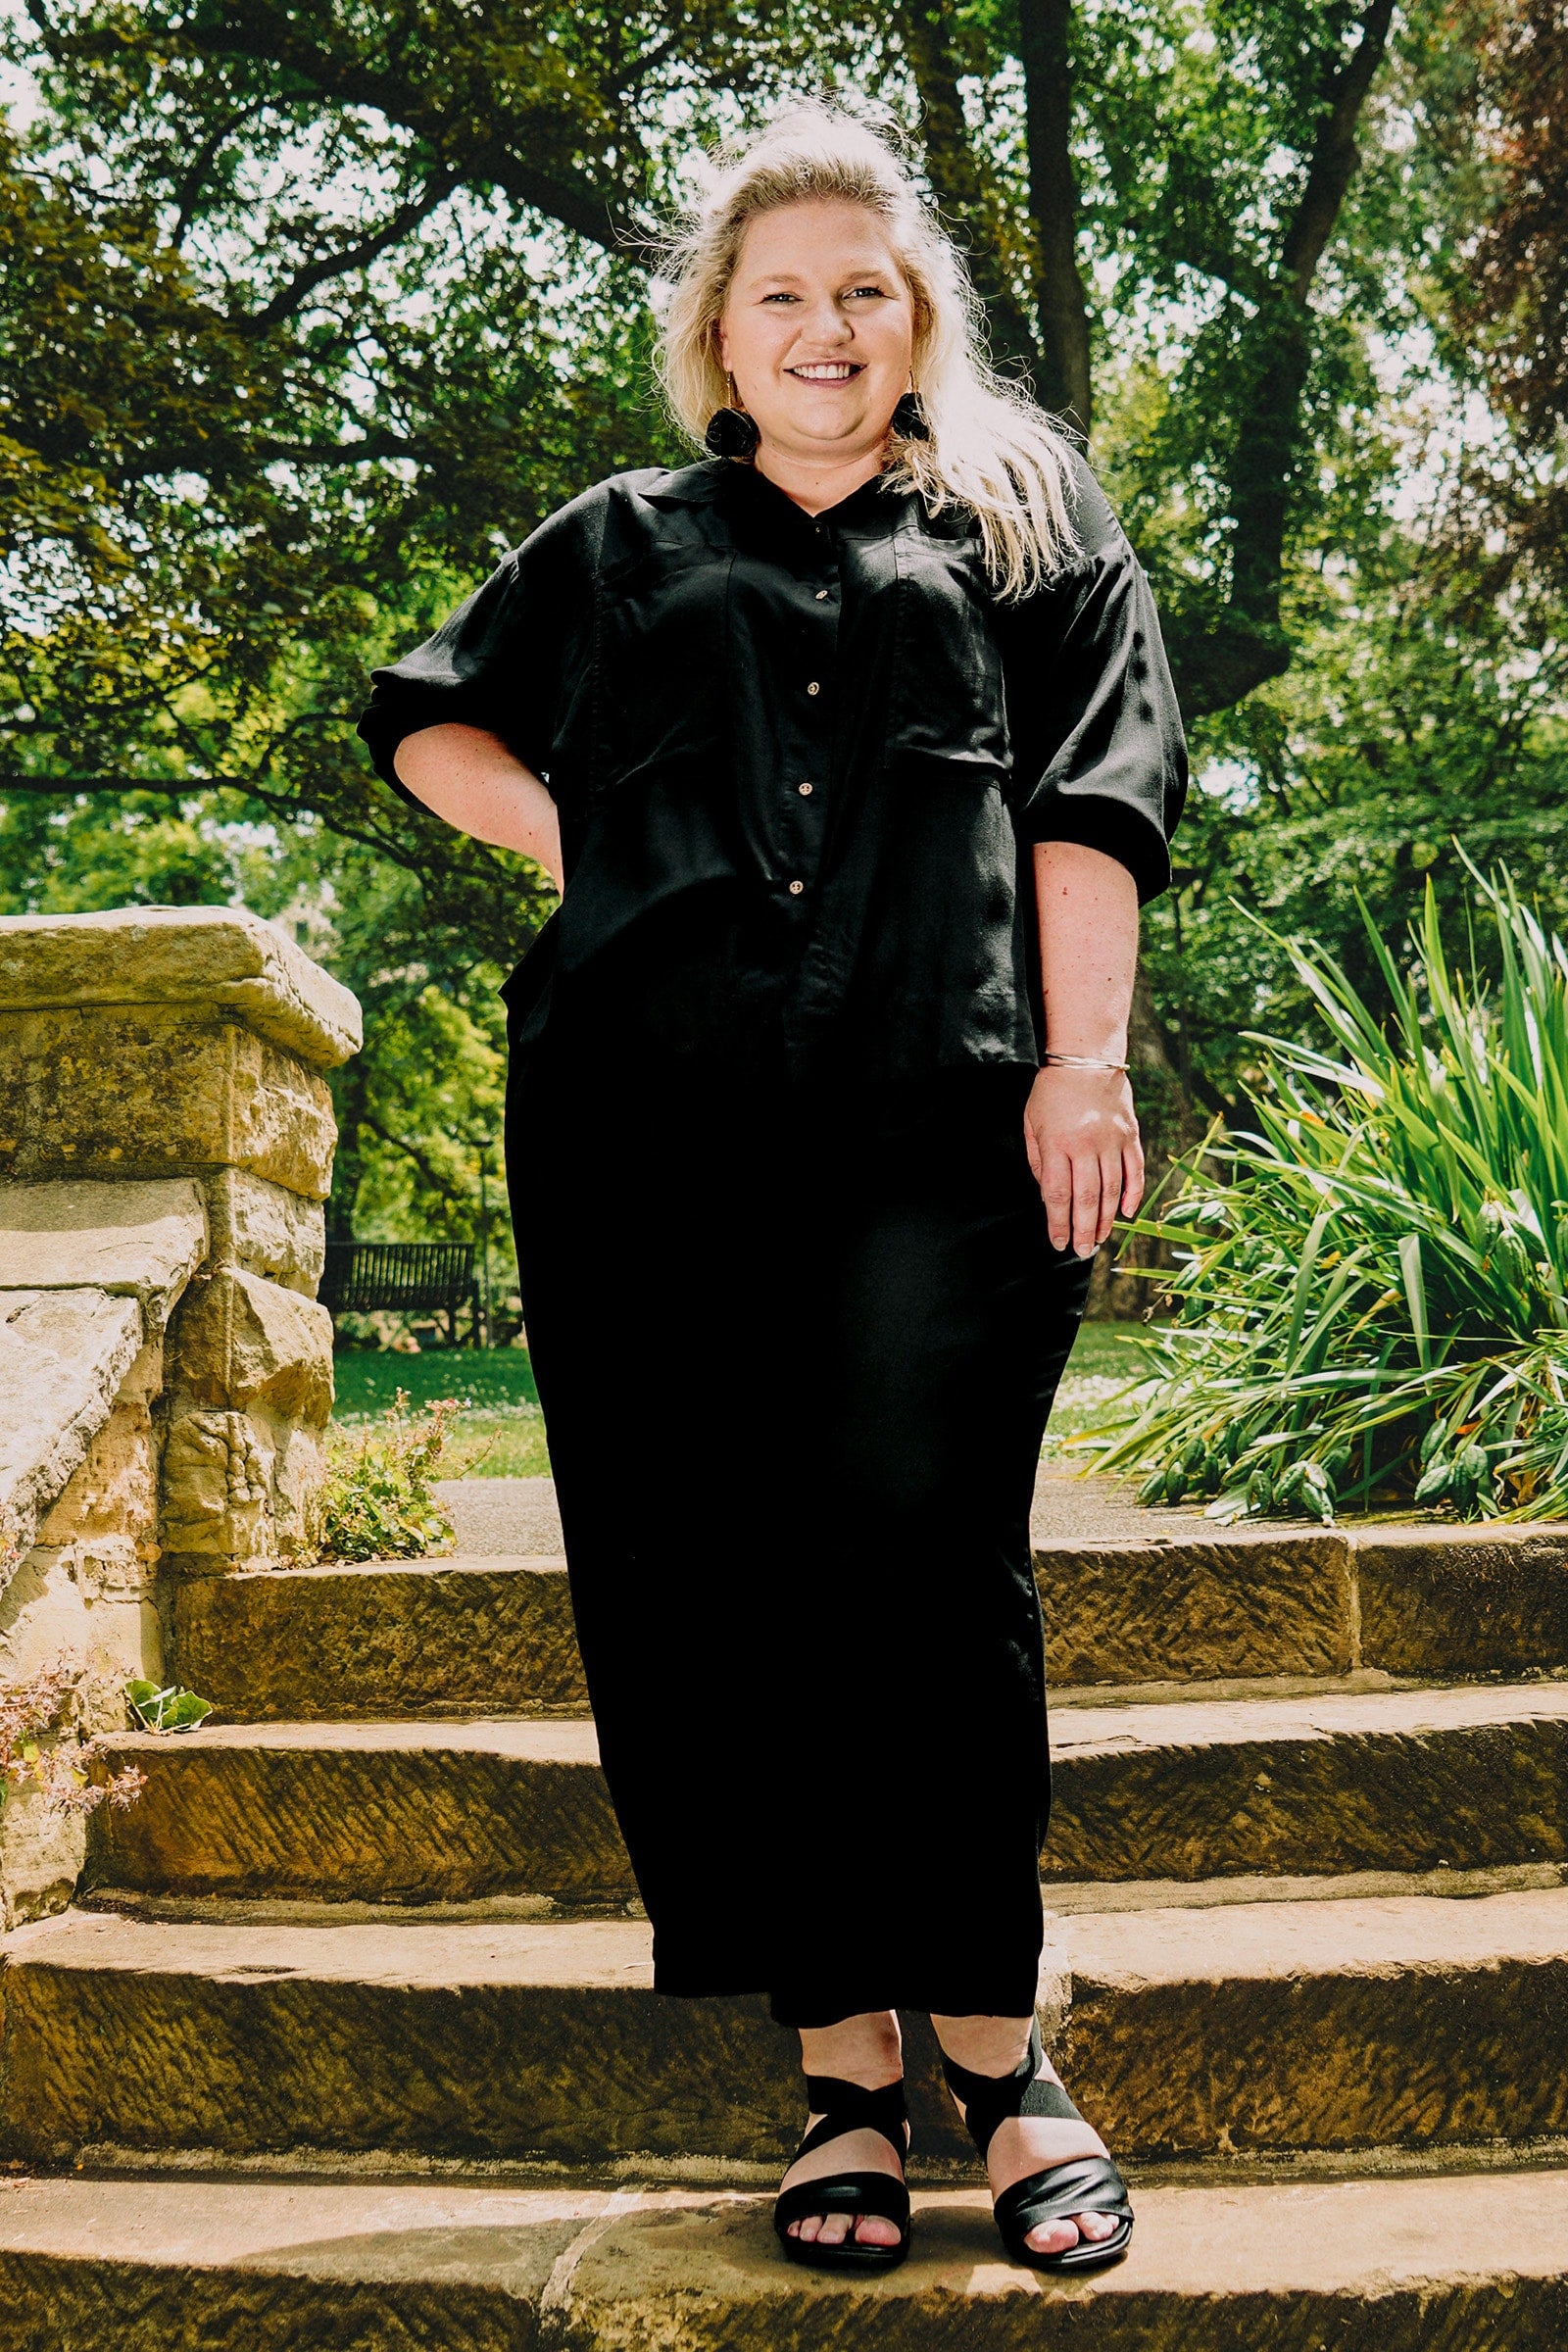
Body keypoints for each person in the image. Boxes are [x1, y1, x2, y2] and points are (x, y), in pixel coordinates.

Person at [358, 102, 1186, 2278]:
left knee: (924, 1561)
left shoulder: (1024, 521)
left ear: (918, 324)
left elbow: (1095, 802)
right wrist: (599, 845)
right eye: (782, 295)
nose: (826, 326)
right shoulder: (619, 541)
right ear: (719, 337)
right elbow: (429, 718)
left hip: (949, 1111)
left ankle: (999, 2053)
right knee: (719, 1581)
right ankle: (841, 2072)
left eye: (864, 292)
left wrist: (1085, 1062)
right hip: (655, 1129)